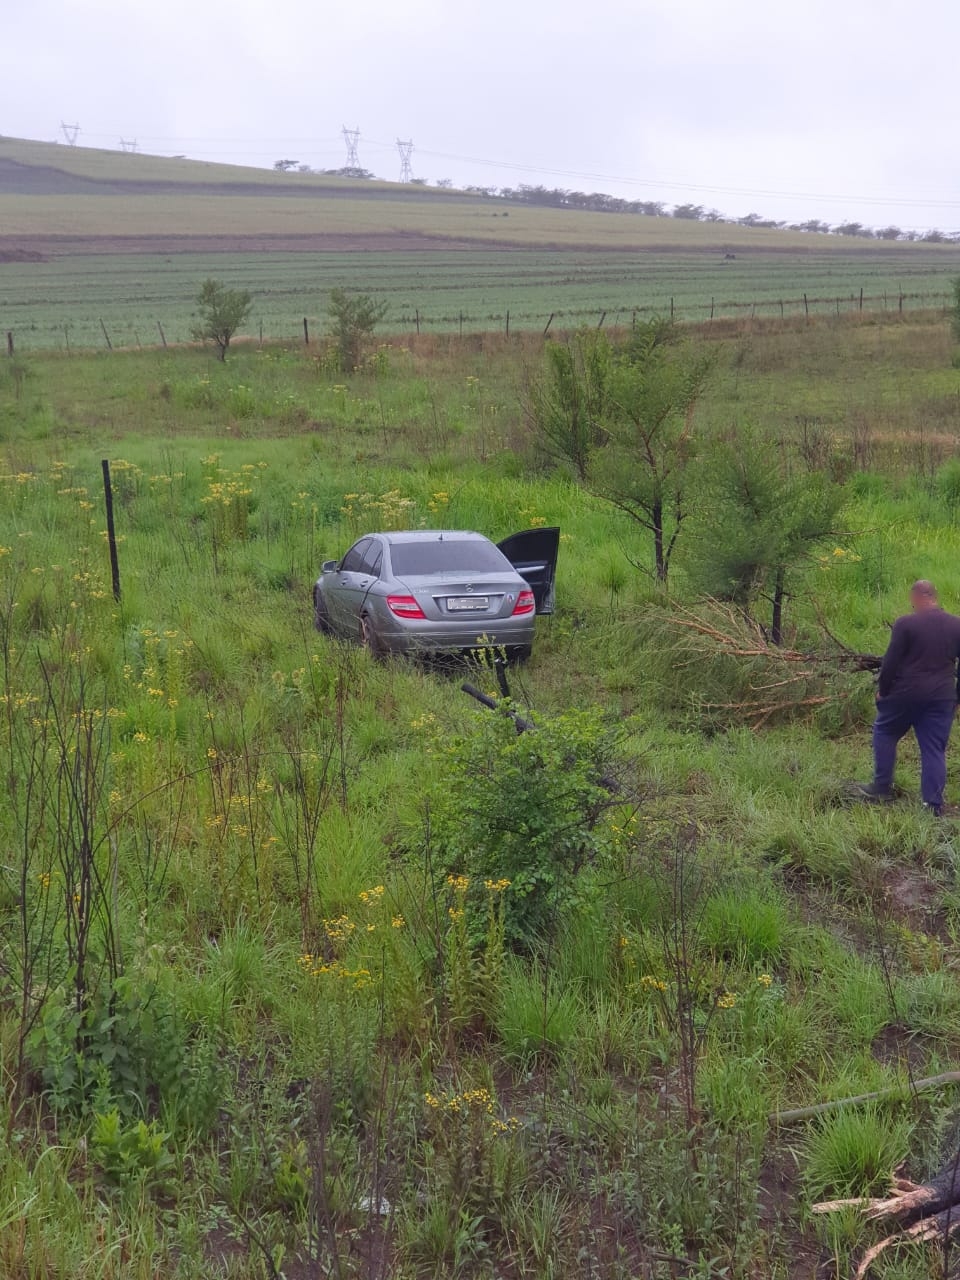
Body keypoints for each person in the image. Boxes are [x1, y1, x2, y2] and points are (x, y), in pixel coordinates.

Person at [857, 580, 960, 816]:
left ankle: (881, 787)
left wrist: (883, 690)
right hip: (942, 696)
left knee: (885, 730)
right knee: (934, 748)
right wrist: (957, 697)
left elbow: (890, 662)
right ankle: (932, 805)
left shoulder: (906, 623)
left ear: (916, 596)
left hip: (906, 692)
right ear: (934, 596)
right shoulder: (957, 625)